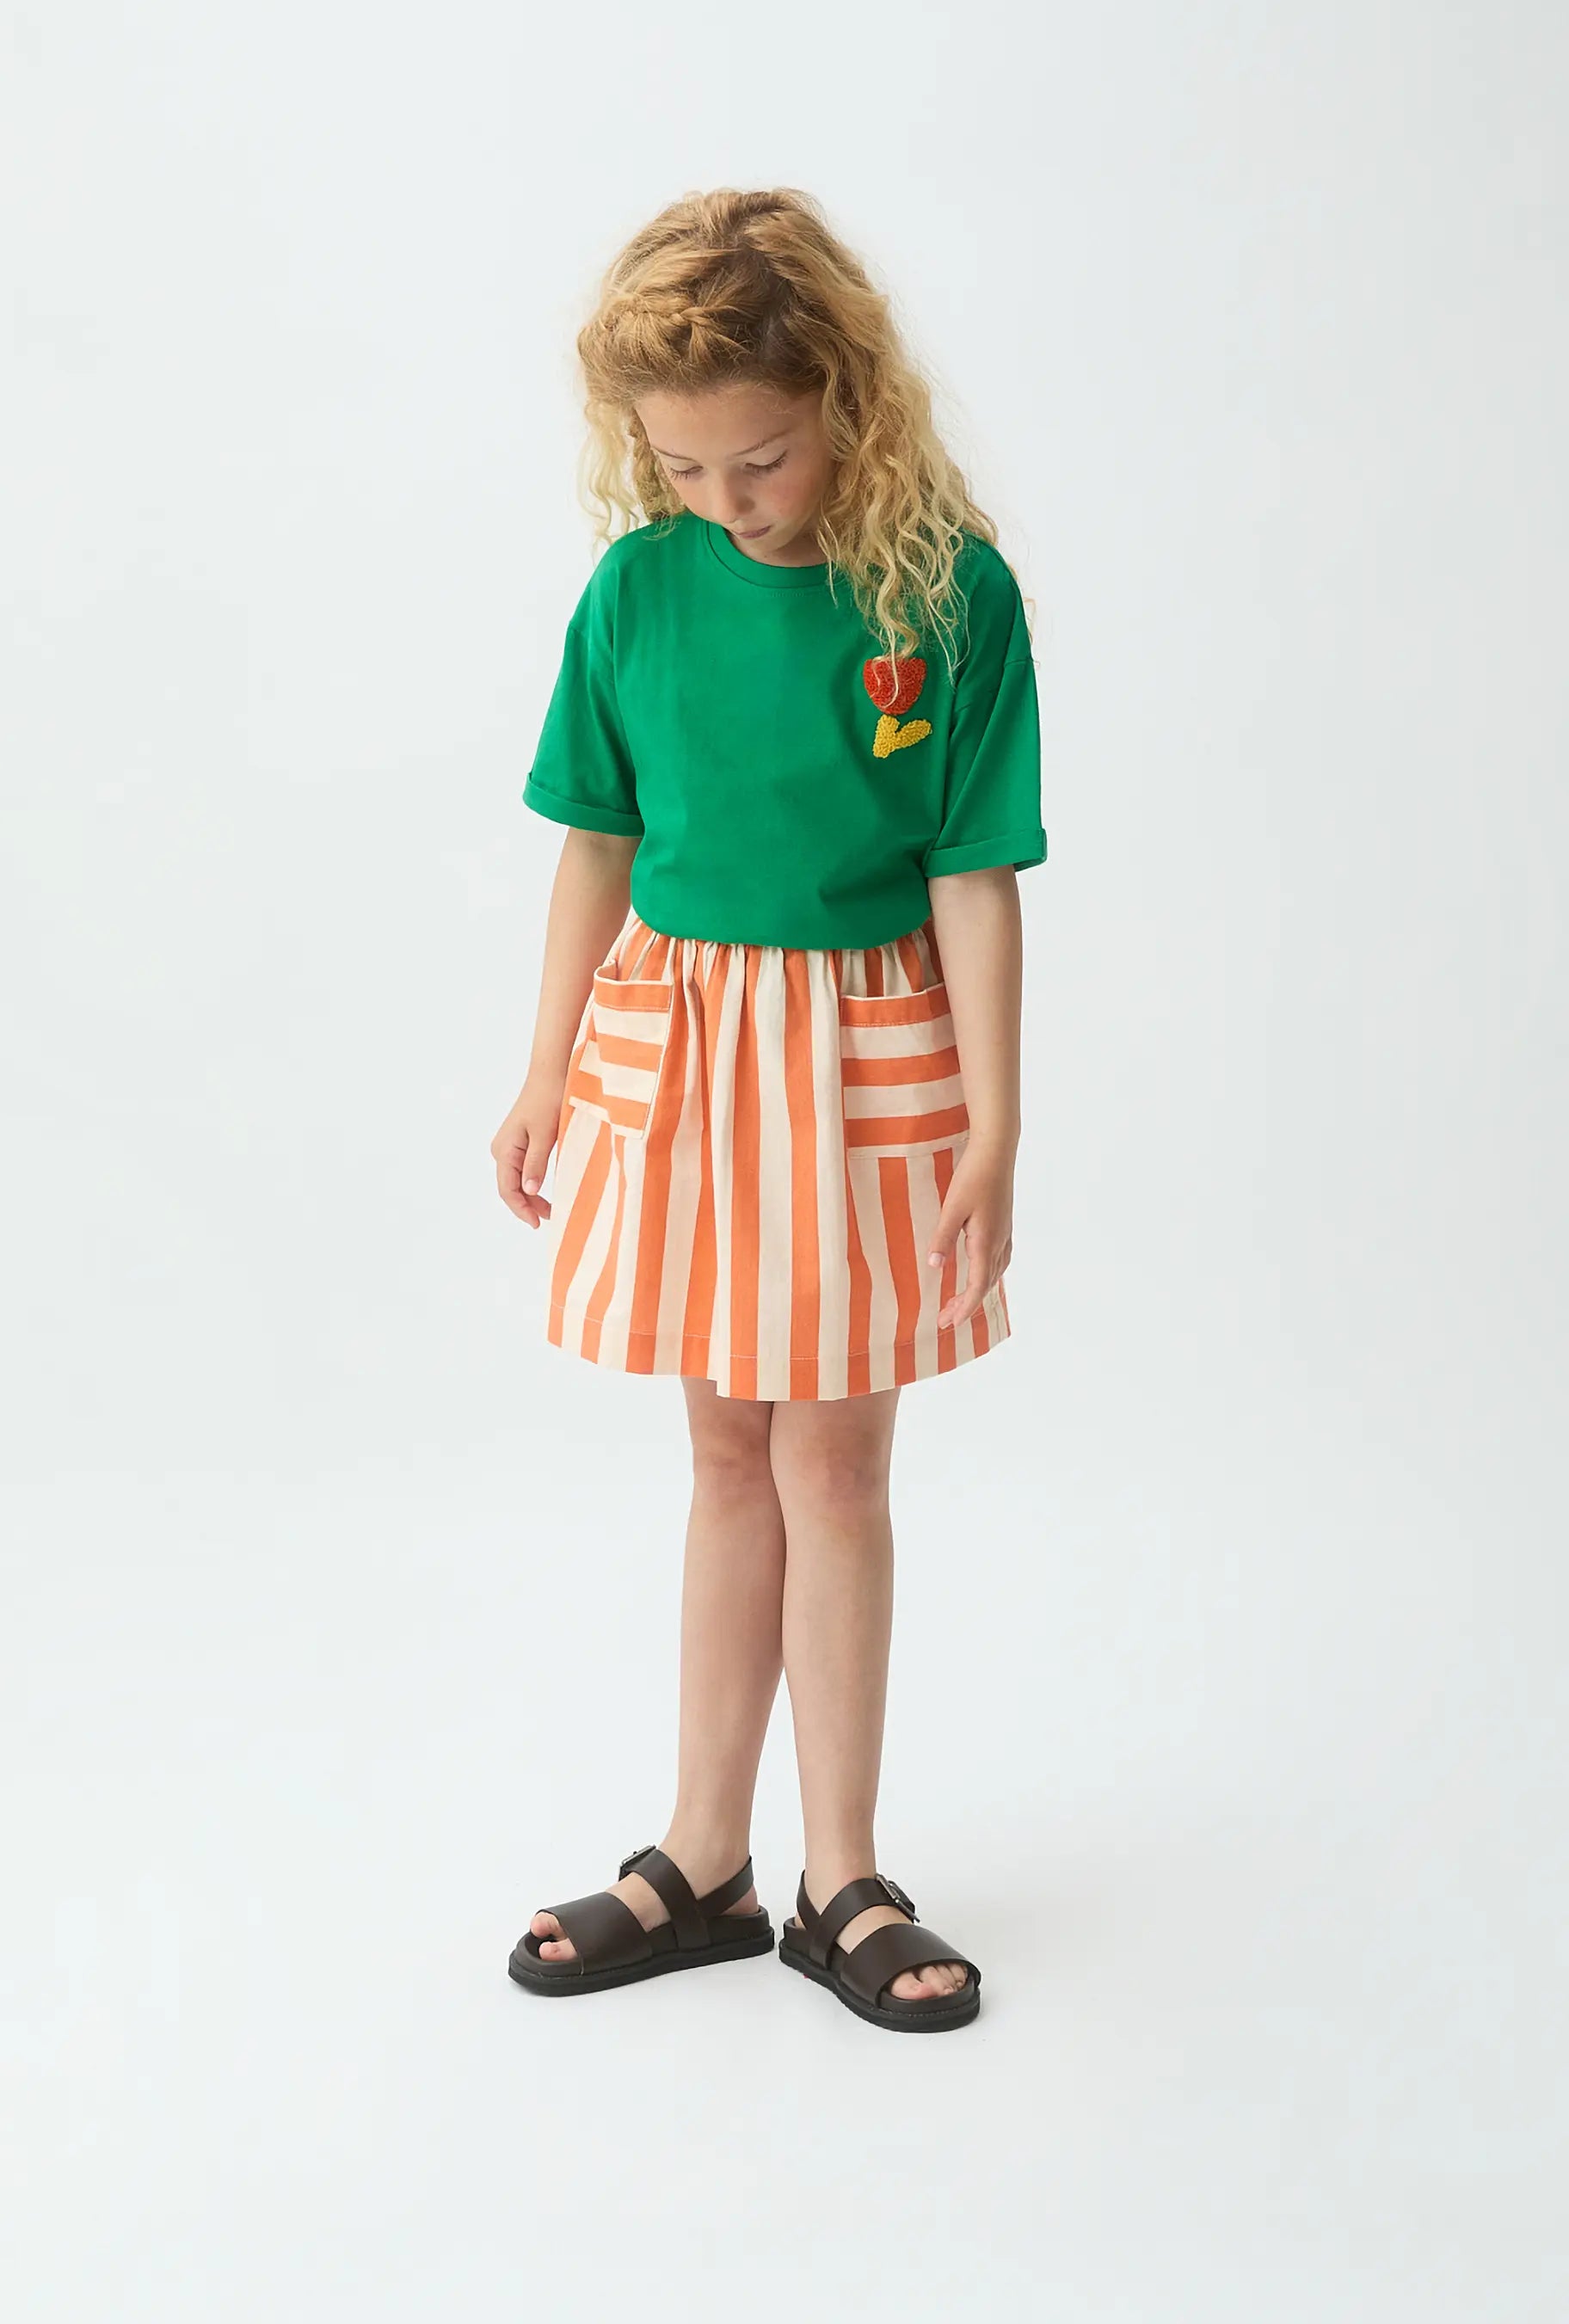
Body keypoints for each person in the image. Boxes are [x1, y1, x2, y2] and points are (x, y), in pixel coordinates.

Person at [491, 187, 1046, 2033]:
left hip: (864, 1056)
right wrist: (545, 1066)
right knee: (727, 1459)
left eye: (764, 459)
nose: (726, 499)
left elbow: (974, 870)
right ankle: (704, 1856)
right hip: (680, 1051)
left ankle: (843, 1875)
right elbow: (599, 841)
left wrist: (996, 1120)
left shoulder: (946, 594)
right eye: (684, 466)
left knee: (838, 1470)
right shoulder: (637, 591)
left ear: (845, 402)